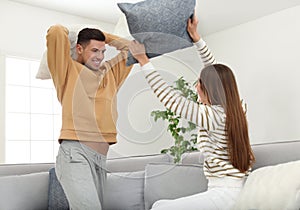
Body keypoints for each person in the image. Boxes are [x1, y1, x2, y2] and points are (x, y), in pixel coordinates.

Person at [129, 14, 255, 210]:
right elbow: (214, 71)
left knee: (159, 208)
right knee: (161, 204)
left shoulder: (212, 117)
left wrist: (143, 60)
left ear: (208, 89)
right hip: (233, 189)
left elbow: (170, 99)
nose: (195, 86)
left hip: (224, 193)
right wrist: (197, 38)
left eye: (199, 83)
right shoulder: (238, 107)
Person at [46, 24, 133, 209]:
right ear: (79, 48)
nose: (100, 56)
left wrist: (105, 37)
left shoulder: (110, 74)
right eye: (94, 50)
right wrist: (84, 33)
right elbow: (56, 32)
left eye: (102, 51)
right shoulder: (66, 71)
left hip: (100, 159)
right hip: (75, 153)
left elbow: (132, 49)